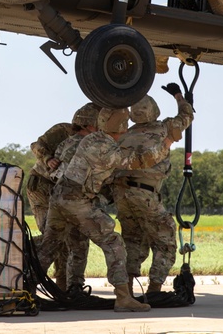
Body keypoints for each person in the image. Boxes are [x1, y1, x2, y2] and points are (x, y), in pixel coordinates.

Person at [35, 107, 183, 313]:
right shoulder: (104, 148)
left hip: (59, 197)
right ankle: (123, 298)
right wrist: (167, 142)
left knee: (49, 246)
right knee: (113, 243)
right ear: (120, 126)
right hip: (76, 200)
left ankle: (26, 291)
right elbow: (138, 161)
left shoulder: (92, 139)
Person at [112, 83, 194, 297]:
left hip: (121, 194)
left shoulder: (123, 134)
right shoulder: (164, 128)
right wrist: (179, 96)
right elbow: (187, 116)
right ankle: (155, 290)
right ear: (154, 110)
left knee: (131, 240)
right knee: (165, 239)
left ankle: (126, 291)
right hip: (145, 193)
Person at [26, 103, 99, 291]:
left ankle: (64, 286)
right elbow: (36, 145)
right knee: (52, 235)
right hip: (42, 185)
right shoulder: (63, 130)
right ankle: (24, 250)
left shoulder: (95, 141)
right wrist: (48, 158)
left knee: (67, 238)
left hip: (65, 190)